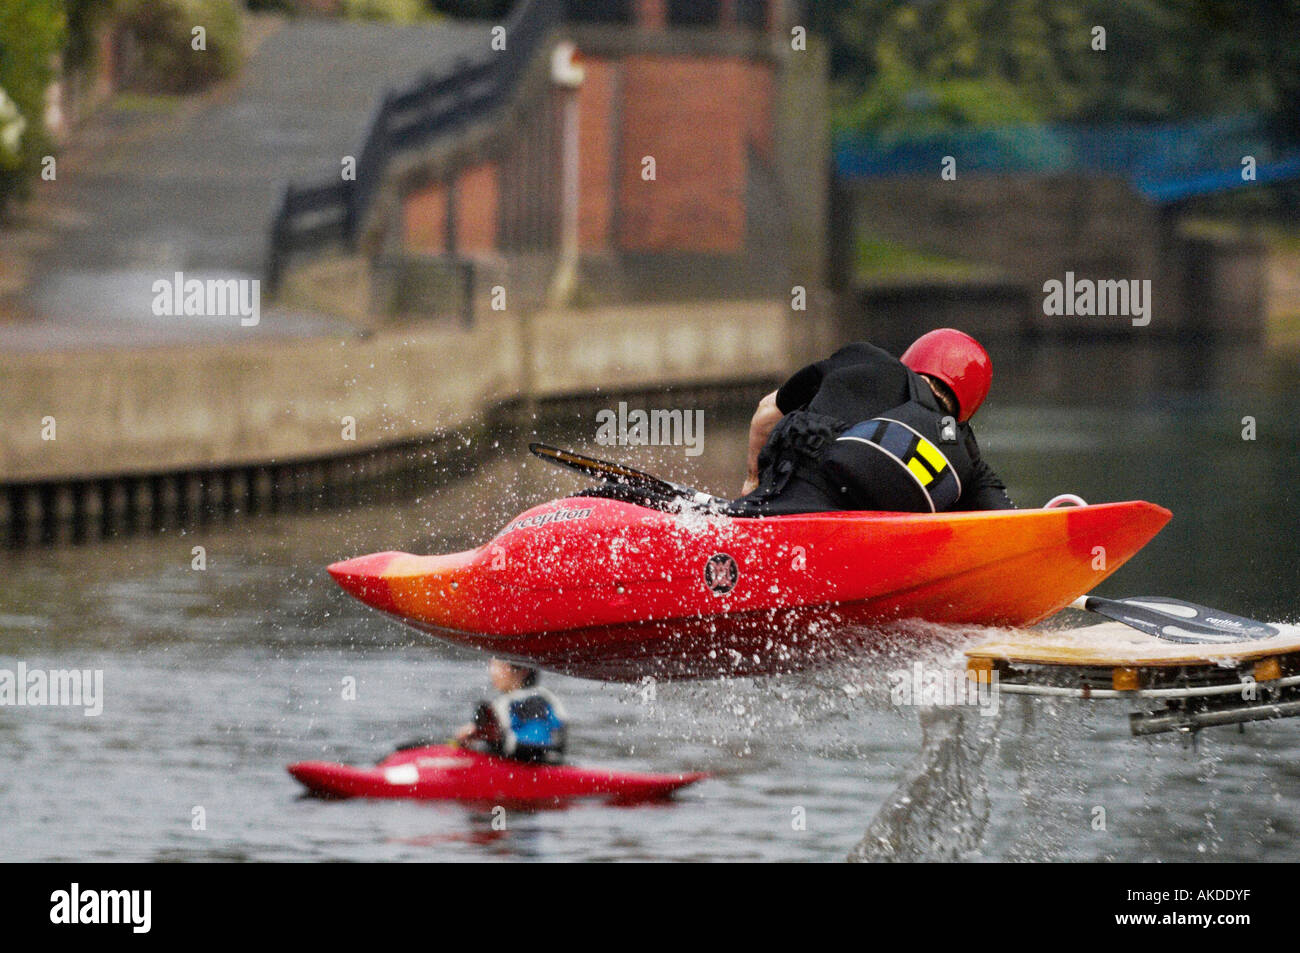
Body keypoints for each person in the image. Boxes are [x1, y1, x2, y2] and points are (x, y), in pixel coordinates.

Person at [731, 329, 1015, 515]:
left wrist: (751, 480)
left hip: (778, 510)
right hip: (861, 549)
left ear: (912, 359)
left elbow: (766, 411)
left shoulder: (864, 359)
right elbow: (1007, 521)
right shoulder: (967, 454)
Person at [455, 659, 567, 764]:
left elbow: (536, 743)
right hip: (544, 763)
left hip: (528, 766)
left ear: (523, 671)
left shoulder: (519, 703)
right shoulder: (547, 699)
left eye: (499, 666)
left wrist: (490, 739)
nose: (492, 672)